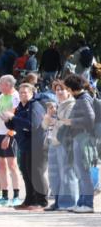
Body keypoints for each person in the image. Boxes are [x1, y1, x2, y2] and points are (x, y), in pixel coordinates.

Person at [4, 83, 50, 210]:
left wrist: (14, 117)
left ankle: (42, 201)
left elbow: (32, 125)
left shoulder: (35, 106)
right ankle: (29, 200)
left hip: (38, 145)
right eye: (21, 93)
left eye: (25, 92)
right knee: (26, 172)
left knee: (37, 172)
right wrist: (8, 121)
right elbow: (15, 126)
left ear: (31, 93)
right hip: (24, 145)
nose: (22, 95)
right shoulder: (20, 107)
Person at [57, 75, 95, 212]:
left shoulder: (83, 99)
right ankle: (81, 203)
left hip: (83, 137)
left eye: (67, 88)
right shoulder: (82, 98)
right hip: (80, 137)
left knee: (83, 171)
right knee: (80, 171)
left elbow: (90, 119)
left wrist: (72, 122)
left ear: (72, 88)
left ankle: (88, 204)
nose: (67, 90)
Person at [43, 81, 77, 211]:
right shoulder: (56, 105)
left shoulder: (72, 105)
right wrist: (47, 117)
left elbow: (69, 122)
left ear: (68, 91)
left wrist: (55, 120)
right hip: (53, 141)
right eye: (56, 90)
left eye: (61, 89)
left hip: (66, 142)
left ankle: (68, 203)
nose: (59, 92)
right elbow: (45, 126)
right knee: (53, 174)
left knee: (67, 173)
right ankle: (57, 201)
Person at [0, 74, 23, 207]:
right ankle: (4, 196)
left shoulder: (16, 97)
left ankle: (16, 196)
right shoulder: (1, 96)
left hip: (9, 134)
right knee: (1, 166)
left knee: (12, 165)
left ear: (8, 85)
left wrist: (9, 135)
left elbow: (14, 118)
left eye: (0, 83)